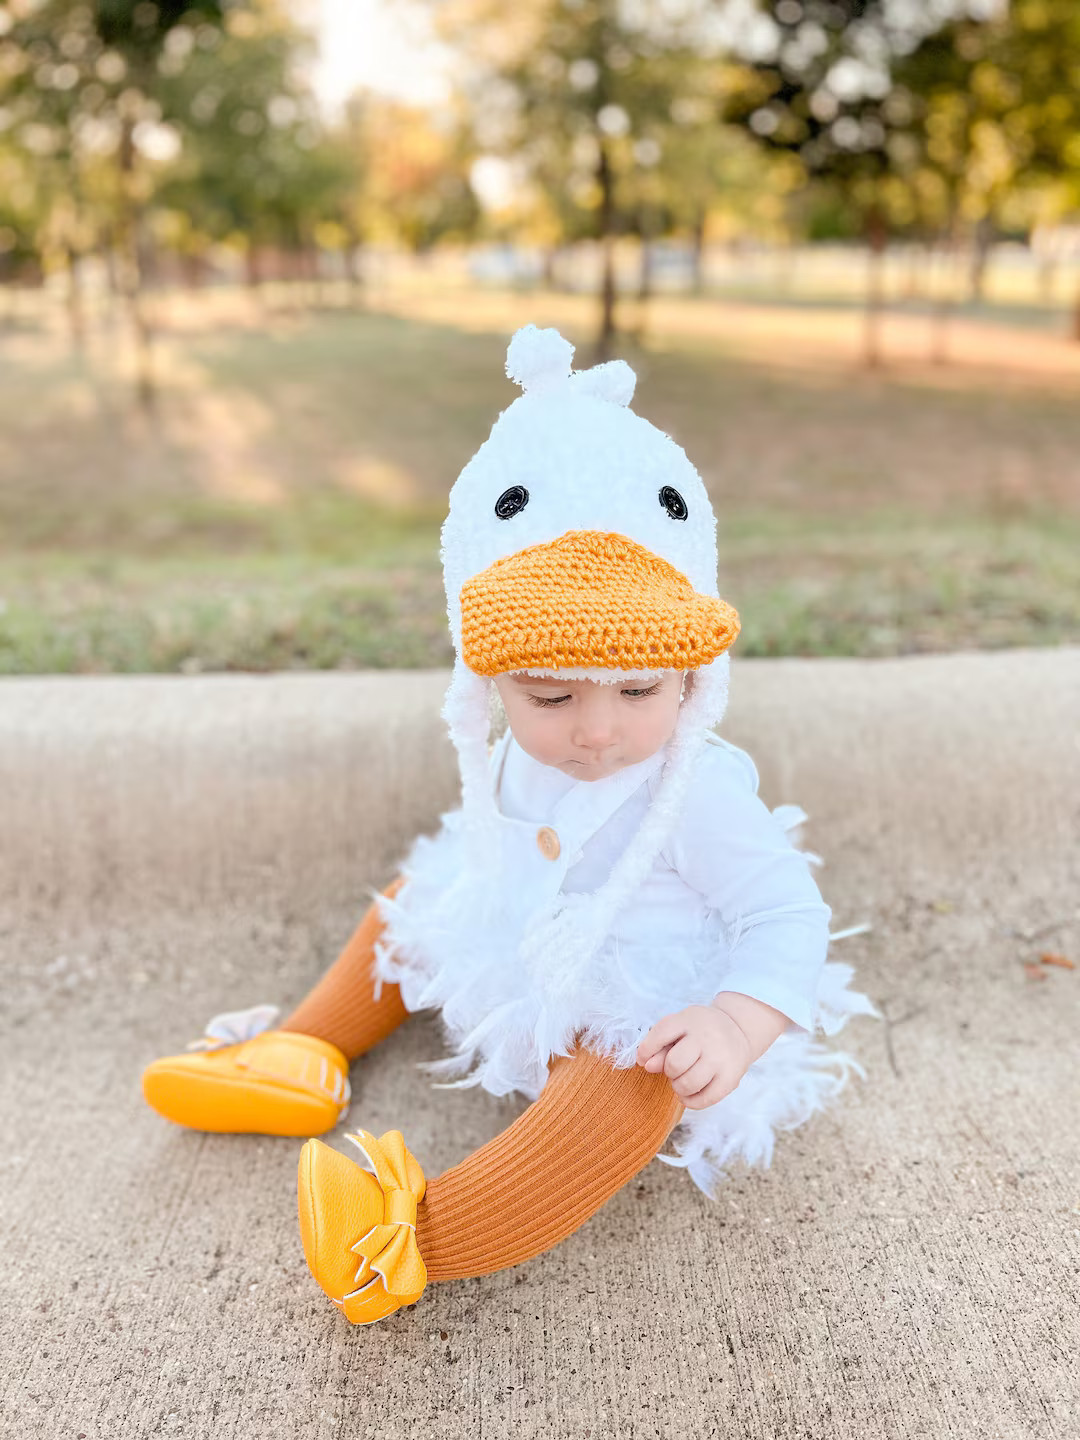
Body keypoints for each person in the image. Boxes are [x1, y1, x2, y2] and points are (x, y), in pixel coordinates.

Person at [142, 324, 877, 1325]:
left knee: (625, 1087)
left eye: (637, 688)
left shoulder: (694, 788)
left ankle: (413, 1237)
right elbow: (493, 849)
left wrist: (734, 1026)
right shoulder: (507, 749)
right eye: (549, 698)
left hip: (656, 994)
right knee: (416, 896)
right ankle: (301, 1047)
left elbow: (785, 914)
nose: (598, 732)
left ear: (695, 676)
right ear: (489, 687)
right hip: (530, 932)